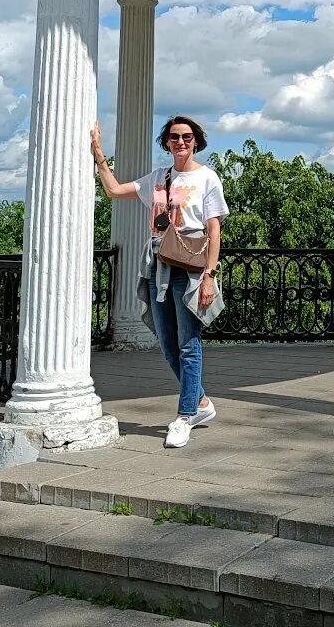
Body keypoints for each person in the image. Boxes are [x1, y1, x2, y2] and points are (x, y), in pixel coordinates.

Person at [91, 115, 226, 448]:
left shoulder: (207, 178)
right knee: (167, 344)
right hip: (158, 264)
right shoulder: (158, 178)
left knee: (188, 343)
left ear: (197, 141)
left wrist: (209, 276)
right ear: (167, 142)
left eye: (187, 136)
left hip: (191, 268)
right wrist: (98, 154)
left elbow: (214, 230)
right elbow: (114, 191)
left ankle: (184, 416)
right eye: (174, 136)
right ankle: (201, 402)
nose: (181, 142)